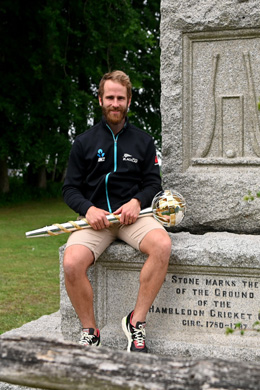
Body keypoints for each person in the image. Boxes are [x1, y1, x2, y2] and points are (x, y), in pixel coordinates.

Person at [62, 70, 171, 353]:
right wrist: (88, 209)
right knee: (72, 263)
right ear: (100, 100)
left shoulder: (144, 141)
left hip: (132, 218)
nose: (115, 103)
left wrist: (137, 201)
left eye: (120, 98)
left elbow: (153, 184)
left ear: (129, 101)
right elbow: (69, 189)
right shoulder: (84, 142)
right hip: (96, 220)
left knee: (162, 245)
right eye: (109, 97)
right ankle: (90, 331)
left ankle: (136, 322)